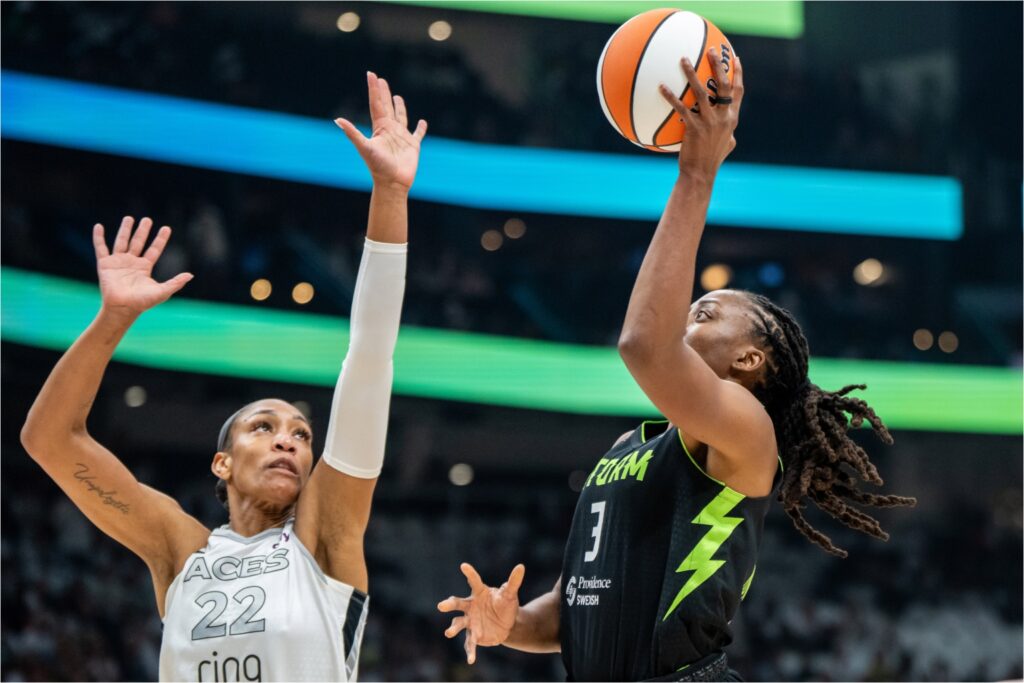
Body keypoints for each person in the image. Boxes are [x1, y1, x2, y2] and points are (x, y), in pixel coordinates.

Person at [437, 48, 915, 681]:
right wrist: (511, 624)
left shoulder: (747, 433)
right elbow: (575, 607)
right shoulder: (624, 449)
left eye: (707, 312)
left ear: (750, 358)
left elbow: (642, 345)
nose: (687, 312)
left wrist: (696, 175)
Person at [20, 71, 426, 682]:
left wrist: (389, 196)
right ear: (222, 464)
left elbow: (369, 359)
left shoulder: (324, 536)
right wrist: (113, 320)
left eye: (301, 434)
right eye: (264, 427)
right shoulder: (181, 550)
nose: (289, 438)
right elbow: (48, 439)